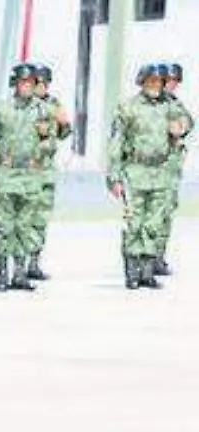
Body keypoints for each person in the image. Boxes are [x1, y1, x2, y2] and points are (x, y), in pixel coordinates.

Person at [108, 63, 186, 290]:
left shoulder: (170, 106)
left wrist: (181, 126)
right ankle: (132, 271)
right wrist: (114, 177)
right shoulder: (128, 108)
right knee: (135, 222)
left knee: (154, 223)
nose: (155, 86)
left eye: (159, 82)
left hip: (160, 172)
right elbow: (116, 143)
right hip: (135, 171)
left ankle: (148, 270)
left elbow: (187, 121)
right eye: (150, 81)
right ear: (142, 82)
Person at [0, 63, 50, 293]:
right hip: (7, 174)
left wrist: (44, 140)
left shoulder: (42, 110)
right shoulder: (1, 109)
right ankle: (2, 274)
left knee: (25, 226)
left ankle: (20, 273)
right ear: (15, 84)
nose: (27, 87)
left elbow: (51, 145)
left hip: (31, 176)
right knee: (5, 226)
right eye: (23, 82)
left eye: (31, 83)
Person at [29, 63, 71, 281]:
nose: (42, 87)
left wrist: (64, 124)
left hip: (46, 169)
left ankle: (34, 261)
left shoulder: (54, 104)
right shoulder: (24, 105)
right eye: (38, 83)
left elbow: (63, 134)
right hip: (26, 169)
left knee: (41, 217)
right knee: (23, 218)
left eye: (45, 83)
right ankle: (18, 262)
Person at [156, 62, 189, 275]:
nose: (172, 85)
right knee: (146, 216)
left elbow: (188, 122)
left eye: (175, 82)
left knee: (165, 213)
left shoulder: (176, 105)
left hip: (170, 170)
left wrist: (182, 127)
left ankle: (158, 256)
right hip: (148, 169)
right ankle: (143, 257)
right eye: (169, 81)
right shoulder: (147, 104)